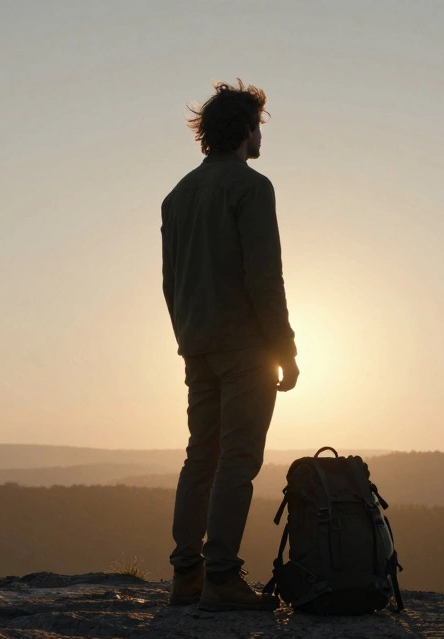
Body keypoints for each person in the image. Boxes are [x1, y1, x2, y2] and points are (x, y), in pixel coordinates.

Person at [161, 79, 299, 611]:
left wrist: (188, 336)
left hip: (197, 346)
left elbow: (171, 282)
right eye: (259, 126)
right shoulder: (251, 188)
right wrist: (284, 349)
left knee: (201, 456)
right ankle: (220, 577)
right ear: (245, 129)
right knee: (237, 461)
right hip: (245, 348)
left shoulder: (177, 196)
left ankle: (186, 575)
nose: (261, 135)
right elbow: (266, 278)